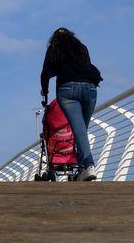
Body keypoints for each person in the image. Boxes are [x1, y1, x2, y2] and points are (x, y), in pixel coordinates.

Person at [40, 28, 102, 181]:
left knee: (79, 132)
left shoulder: (54, 49)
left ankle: (88, 165)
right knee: (82, 132)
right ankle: (83, 170)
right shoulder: (82, 48)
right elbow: (84, 66)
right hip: (90, 88)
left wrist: (44, 91)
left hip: (68, 90)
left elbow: (46, 73)